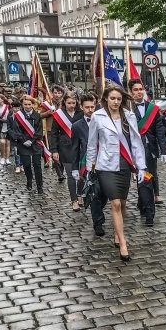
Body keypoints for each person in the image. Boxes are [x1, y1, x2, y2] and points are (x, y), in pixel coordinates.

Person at [86, 85, 147, 262]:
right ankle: (123, 243)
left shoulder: (129, 116)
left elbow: (136, 142)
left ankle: (116, 232)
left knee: (123, 203)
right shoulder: (97, 117)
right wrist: (90, 167)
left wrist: (141, 166)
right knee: (115, 204)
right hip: (106, 165)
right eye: (112, 98)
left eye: (119, 99)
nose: (116, 102)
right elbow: (92, 144)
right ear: (105, 99)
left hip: (124, 164)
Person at [128, 78, 166, 226]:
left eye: (141, 89)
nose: (139, 92)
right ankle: (149, 212)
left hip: (149, 150)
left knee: (147, 178)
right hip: (134, 150)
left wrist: (163, 150)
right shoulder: (127, 109)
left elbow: (159, 131)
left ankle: (144, 205)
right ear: (130, 92)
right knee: (144, 180)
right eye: (136, 90)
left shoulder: (153, 109)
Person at [71, 95, 104, 234]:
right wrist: (75, 168)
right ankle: (98, 223)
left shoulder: (103, 121)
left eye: (92, 107)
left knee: (104, 194)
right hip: (88, 162)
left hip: (104, 161)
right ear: (81, 107)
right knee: (94, 192)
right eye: (87, 107)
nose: (90, 110)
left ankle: (98, 211)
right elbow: (74, 148)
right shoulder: (77, 126)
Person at [50, 92, 84, 212]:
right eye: (69, 103)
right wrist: (54, 150)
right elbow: (53, 133)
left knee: (81, 174)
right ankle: (73, 200)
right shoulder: (59, 115)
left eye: (73, 103)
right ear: (64, 102)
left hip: (80, 147)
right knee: (70, 175)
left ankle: (80, 194)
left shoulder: (81, 113)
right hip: (65, 148)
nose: (71, 105)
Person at [9, 95, 45, 194]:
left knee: (37, 165)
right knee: (27, 164)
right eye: (25, 104)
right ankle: (29, 179)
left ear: (32, 105)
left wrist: (32, 140)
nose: (28, 106)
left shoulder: (37, 116)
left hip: (35, 143)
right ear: (22, 105)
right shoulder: (18, 116)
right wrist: (23, 140)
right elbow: (16, 129)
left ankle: (39, 186)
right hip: (23, 143)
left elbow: (39, 130)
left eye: (29, 104)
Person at [40, 85, 67, 182]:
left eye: (59, 93)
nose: (57, 95)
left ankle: (62, 170)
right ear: (52, 93)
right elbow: (40, 115)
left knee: (63, 152)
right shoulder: (47, 104)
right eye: (55, 93)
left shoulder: (64, 104)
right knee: (54, 151)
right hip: (50, 130)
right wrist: (48, 113)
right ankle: (59, 173)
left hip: (63, 130)